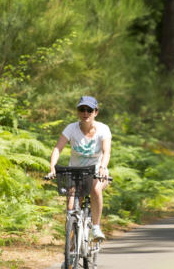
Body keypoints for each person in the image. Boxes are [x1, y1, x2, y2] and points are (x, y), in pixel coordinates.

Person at [48, 96, 112, 241]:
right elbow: (58, 148)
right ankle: (70, 253)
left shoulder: (103, 129)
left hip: (96, 171)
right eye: (82, 109)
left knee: (95, 189)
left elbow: (106, 152)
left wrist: (102, 167)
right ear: (78, 112)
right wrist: (52, 167)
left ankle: (96, 227)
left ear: (96, 112)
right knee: (71, 208)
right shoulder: (71, 128)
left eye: (89, 110)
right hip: (76, 173)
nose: (85, 113)